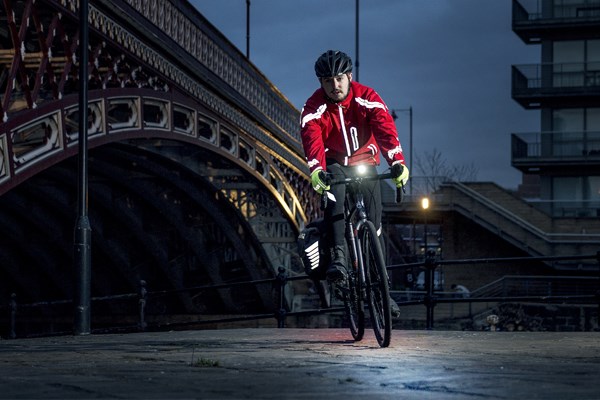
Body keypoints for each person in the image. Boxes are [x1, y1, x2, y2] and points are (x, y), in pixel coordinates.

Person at [299, 49, 409, 286]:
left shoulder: (367, 97)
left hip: (365, 162)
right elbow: (312, 139)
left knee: (375, 222)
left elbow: (385, 129)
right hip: (334, 162)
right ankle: (339, 256)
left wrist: (397, 162)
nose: (334, 85)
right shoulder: (313, 107)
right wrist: (317, 169)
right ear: (321, 83)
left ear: (349, 77)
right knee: (335, 197)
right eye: (328, 81)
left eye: (339, 78)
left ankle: (381, 288)